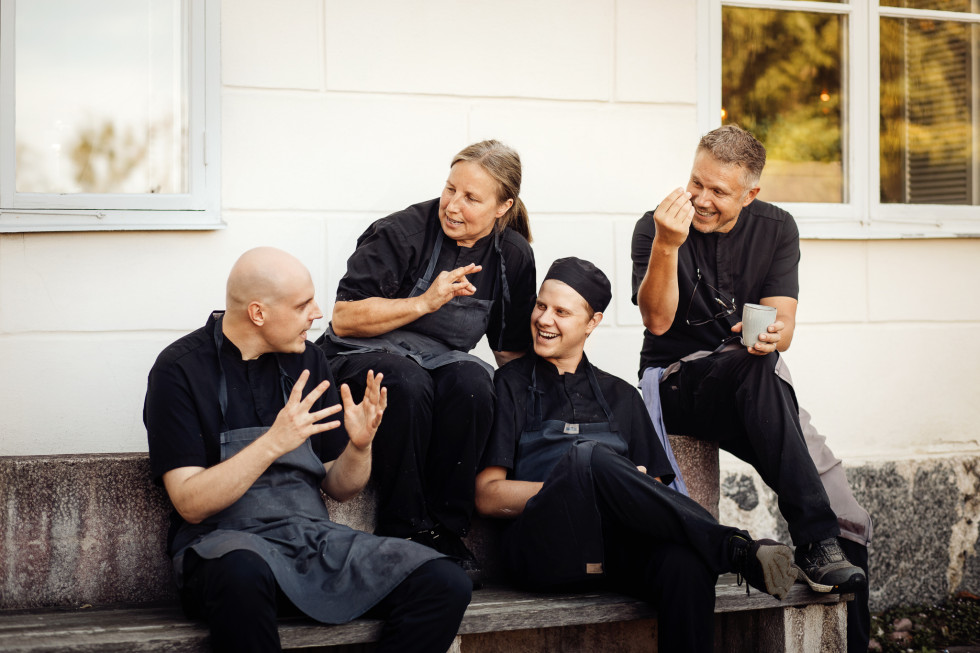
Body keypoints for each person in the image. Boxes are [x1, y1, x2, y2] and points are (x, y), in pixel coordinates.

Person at [144, 247, 471, 653]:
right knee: (243, 573)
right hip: (223, 545)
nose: (317, 314)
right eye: (302, 306)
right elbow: (190, 504)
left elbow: (340, 487)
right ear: (258, 313)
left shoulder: (309, 360)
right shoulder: (180, 369)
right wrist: (272, 443)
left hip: (310, 542)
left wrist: (360, 446)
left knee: (444, 581)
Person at [475, 257, 798, 653]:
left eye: (561, 312)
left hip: (616, 549)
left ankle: (719, 550)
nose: (544, 319)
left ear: (592, 322)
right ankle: (731, 546)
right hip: (542, 550)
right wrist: (580, 484)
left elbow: (656, 491)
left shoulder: (622, 396)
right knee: (589, 459)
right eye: (541, 305)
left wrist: (616, 485)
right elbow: (487, 495)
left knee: (687, 567)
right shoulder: (507, 385)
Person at [630, 124, 871, 652]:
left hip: (754, 384)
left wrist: (773, 335)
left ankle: (848, 630)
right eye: (697, 182)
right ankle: (814, 540)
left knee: (848, 516)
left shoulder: (778, 227)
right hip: (677, 382)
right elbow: (656, 322)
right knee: (755, 367)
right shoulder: (658, 225)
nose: (701, 199)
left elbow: (784, 322)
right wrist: (668, 245)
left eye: (718, 191)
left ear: (750, 193)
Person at [317, 140, 536, 571]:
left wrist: (527, 420)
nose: (452, 205)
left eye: (471, 197)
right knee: (407, 381)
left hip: (437, 361)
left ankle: (447, 531)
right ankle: (404, 527)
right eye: (450, 189)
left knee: (474, 384)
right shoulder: (402, 233)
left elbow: (509, 351)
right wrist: (423, 303)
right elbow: (343, 318)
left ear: (503, 206)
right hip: (357, 354)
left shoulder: (511, 255)